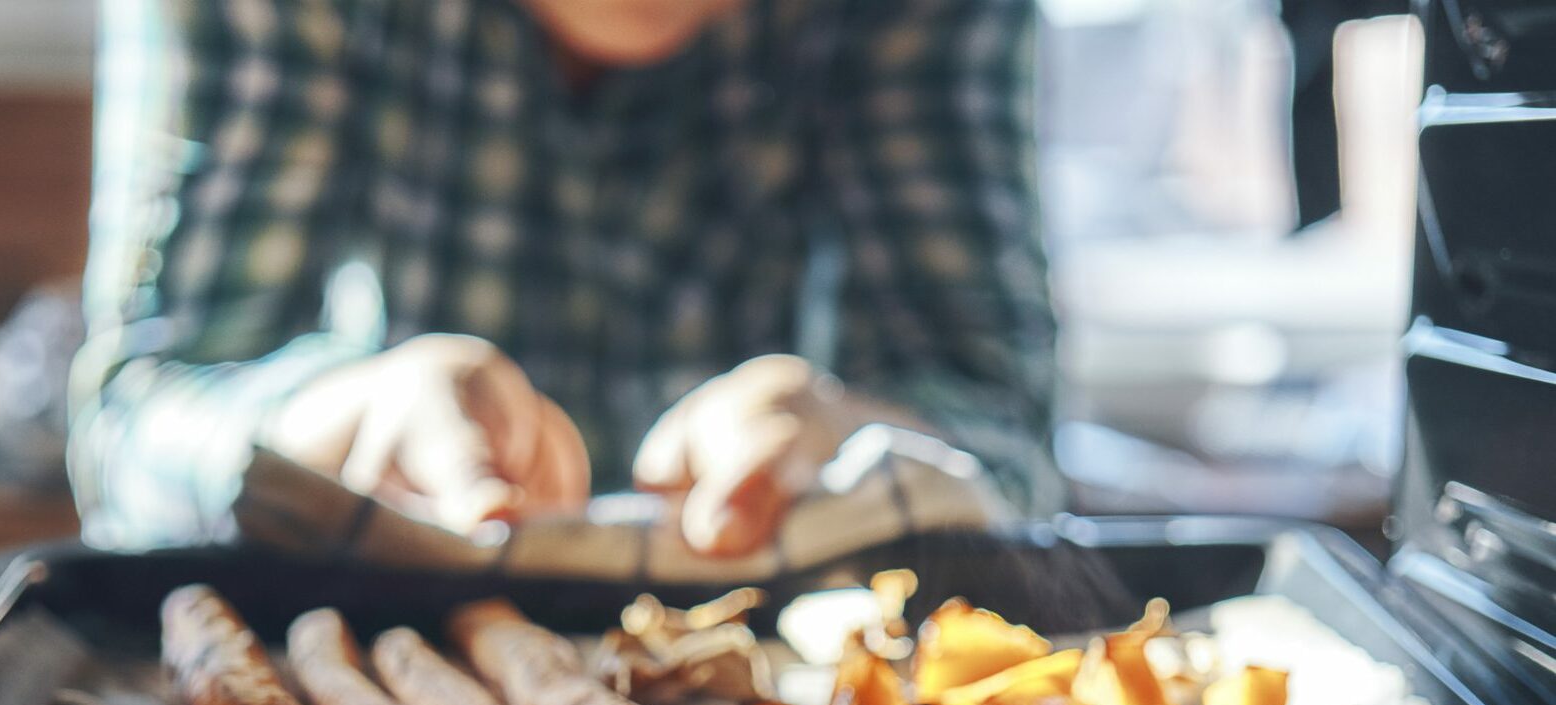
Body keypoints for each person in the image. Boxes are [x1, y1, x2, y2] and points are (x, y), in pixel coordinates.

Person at [70, 0, 1059, 556]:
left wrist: (859, 432)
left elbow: (1002, 434)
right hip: (370, 632)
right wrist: (318, 424)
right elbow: (140, 414)